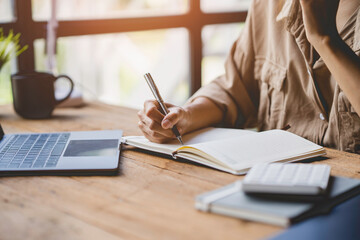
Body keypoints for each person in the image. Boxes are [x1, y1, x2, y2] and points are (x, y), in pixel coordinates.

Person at [138, 0, 360, 154]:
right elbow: (235, 89)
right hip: (273, 185)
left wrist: (324, 39)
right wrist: (185, 116)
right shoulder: (269, 5)